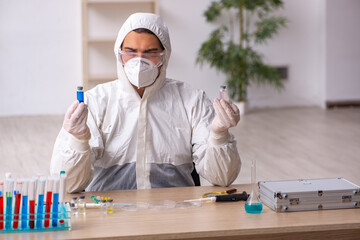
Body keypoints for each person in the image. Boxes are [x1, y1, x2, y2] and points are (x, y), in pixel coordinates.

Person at [50, 13, 241, 193]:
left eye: (150, 53)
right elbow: (68, 185)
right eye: (131, 52)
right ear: (119, 54)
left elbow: (223, 179)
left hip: (175, 213)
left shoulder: (192, 100)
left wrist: (218, 135)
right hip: (108, 213)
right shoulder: (97, 101)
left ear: (164, 56)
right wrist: (78, 140)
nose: (139, 62)